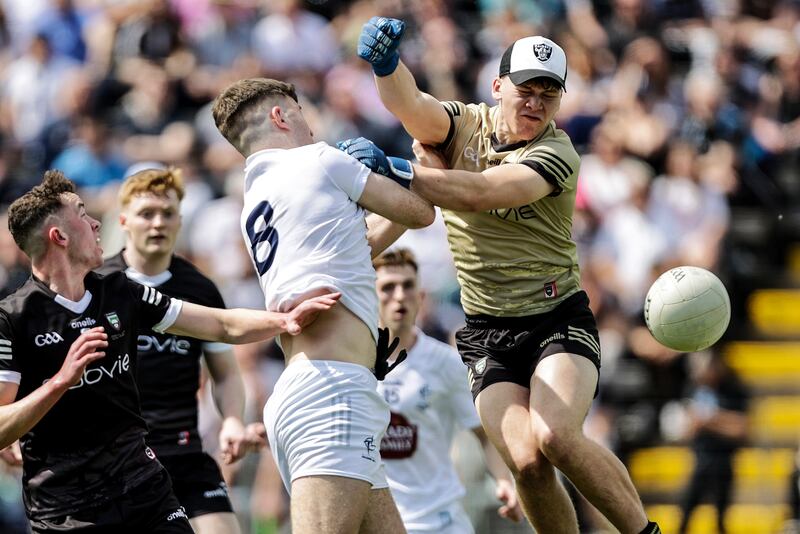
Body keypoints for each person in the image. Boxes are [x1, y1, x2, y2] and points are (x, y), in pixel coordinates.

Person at [347, 17, 662, 534]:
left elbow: (482, 193)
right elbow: (412, 106)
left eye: (548, 93)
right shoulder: (464, 123)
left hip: (555, 319)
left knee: (555, 436)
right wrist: (387, 65)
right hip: (487, 329)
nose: (535, 103)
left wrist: (399, 169)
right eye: (525, 90)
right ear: (497, 87)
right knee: (526, 462)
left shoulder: (557, 153)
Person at [0, 170, 340, 533]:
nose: (96, 223)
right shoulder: (13, 318)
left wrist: (284, 320)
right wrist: (60, 382)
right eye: (83, 214)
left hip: (145, 489)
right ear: (60, 236)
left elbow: (220, 325)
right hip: (66, 510)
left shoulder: (121, 292)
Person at [211, 77, 434, 534]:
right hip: (333, 393)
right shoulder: (318, 159)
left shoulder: (255, 197)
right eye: (302, 113)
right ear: (280, 116)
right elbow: (420, 211)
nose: (311, 126)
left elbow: (361, 243)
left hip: (312, 389)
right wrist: (396, 167)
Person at [96, 165, 265, 534]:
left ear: (180, 220)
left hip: (184, 453)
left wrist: (233, 419)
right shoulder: (98, 287)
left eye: (167, 214)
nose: (158, 223)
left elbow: (226, 375)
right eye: (146, 214)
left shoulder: (200, 289)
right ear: (124, 220)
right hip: (117, 459)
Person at [373, 248, 522, 533]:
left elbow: (484, 434)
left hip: (439, 520)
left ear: (421, 297)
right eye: (388, 287)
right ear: (371, 296)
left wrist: (504, 480)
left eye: (407, 286)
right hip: (378, 521)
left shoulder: (446, 362)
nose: (399, 296)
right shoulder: (356, 363)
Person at [677, 351, 749, 534]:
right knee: (686, 512)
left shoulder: (734, 390)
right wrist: (719, 421)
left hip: (723, 460)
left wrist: (708, 420)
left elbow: (740, 429)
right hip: (701, 460)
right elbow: (687, 430)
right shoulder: (692, 390)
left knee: (721, 516)